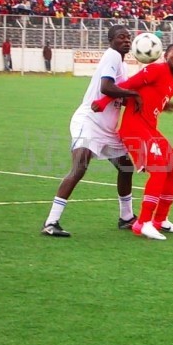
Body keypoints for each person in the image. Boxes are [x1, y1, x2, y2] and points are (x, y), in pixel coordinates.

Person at [42, 25, 142, 237]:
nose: (126, 41)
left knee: (125, 167)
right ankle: (51, 222)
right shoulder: (113, 56)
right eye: (121, 37)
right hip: (88, 121)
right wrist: (133, 94)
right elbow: (106, 87)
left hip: (106, 129)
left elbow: (116, 94)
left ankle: (126, 217)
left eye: (128, 38)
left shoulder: (121, 64)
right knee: (79, 167)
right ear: (111, 41)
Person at [92, 43, 173, 241]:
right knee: (159, 170)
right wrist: (102, 103)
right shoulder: (156, 69)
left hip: (150, 129)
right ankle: (142, 223)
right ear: (165, 54)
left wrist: (164, 106)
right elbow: (127, 86)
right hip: (134, 128)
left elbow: (147, 98)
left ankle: (159, 221)